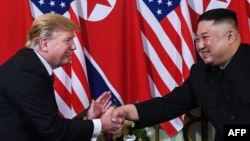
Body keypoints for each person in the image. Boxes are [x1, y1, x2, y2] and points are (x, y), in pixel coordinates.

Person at [112, 8, 250, 141]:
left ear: (230, 36)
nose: (200, 46)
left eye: (205, 37)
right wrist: (129, 111)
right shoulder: (200, 73)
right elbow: (169, 105)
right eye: (197, 39)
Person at [0, 13, 122, 141]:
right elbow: (53, 131)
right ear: (44, 44)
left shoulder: (30, 65)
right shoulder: (26, 72)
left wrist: (90, 120)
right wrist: (101, 125)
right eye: (67, 40)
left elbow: (47, 125)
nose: (74, 46)